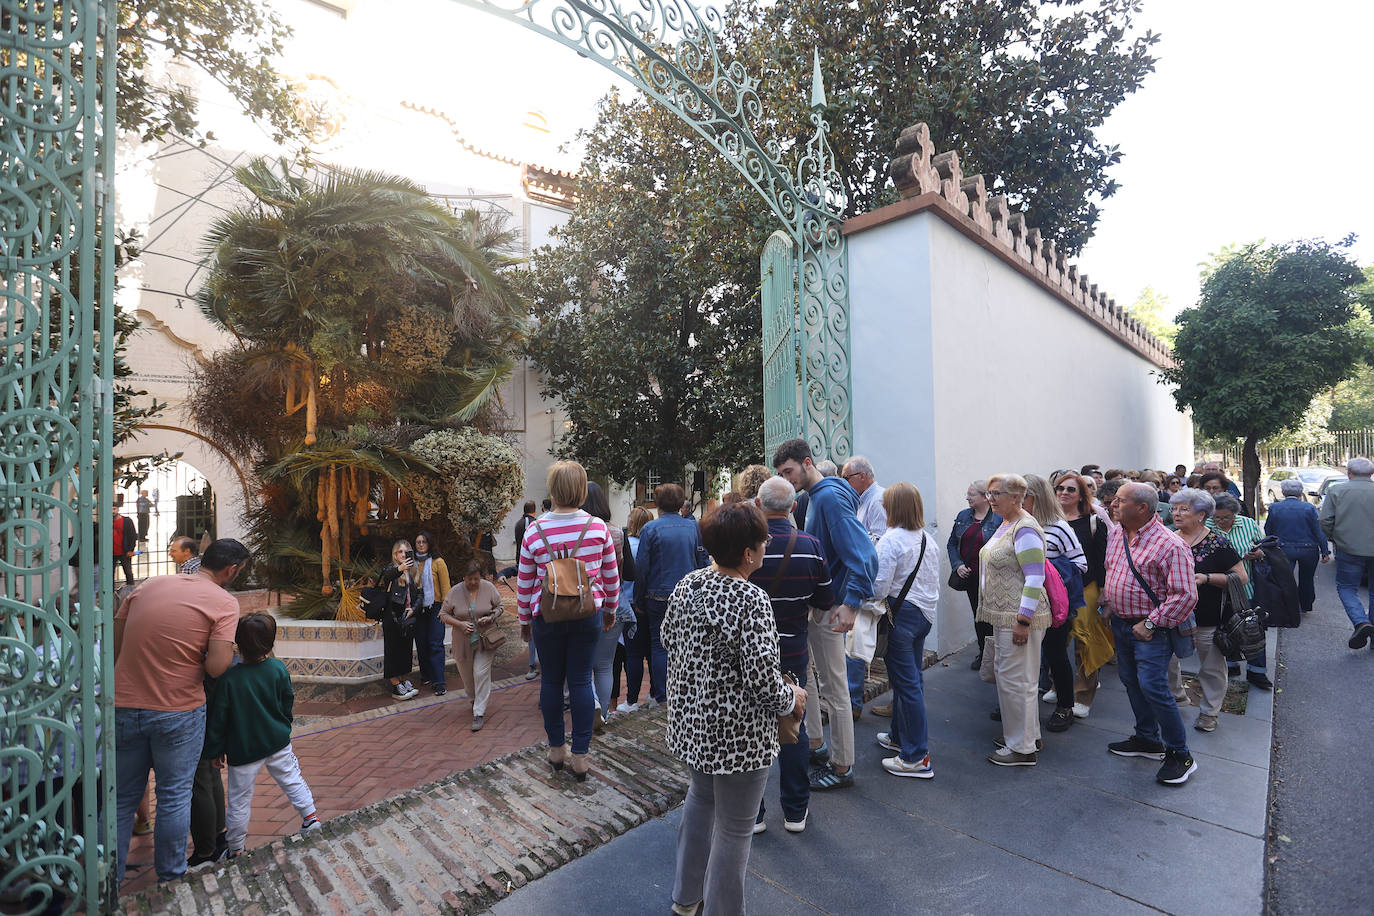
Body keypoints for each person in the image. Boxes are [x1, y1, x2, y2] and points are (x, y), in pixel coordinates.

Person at [662, 502, 806, 916]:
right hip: (739, 735)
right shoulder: (751, 598)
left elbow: (670, 638)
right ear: (748, 553)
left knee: (700, 801)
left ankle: (685, 898)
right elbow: (762, 678)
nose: (767, 544)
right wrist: (791, 699)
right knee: (735, 828)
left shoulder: (689, 584)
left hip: (693, 724)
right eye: (763, 540)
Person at [113, 538, 248, 886]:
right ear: (231, 570)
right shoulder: (224, 602)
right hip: (178, 710)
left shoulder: (149, 585)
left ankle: (104, 882)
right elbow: (218, 667)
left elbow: (117, 643)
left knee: (119, 798)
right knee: (173, 795)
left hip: (124, 704)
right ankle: (171, 878)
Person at [772, 439, 877, 792]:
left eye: (788, 471)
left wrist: (852, 602)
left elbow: (863, 555)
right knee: (812, 681)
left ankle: (843, 764)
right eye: (781, 474)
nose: (786, 479)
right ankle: (815, 744)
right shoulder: (816, 497)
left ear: (806, 462)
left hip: (832, 607)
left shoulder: (829, 497)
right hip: (819, 605)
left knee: (835, 688)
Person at [517, 460, 620, 781]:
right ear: (580, 489)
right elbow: (610, 576)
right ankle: (581, 757)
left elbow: (525, 581)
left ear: (553, 490)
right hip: (587, 614)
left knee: (550, 681)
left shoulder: (535, 529)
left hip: (546, 615)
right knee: (579, 680)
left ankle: (556, 749)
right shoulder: (597, 527)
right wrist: (609, 610)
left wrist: (524, 619)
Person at [1100, 483, 1200, 786]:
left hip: (1150, 630)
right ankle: (1147, 739)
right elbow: (1112, 567)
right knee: (1131, 682)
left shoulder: (1171, 545)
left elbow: (1184, 595)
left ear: (1142, 508)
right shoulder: (1118, 531)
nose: (1113, 504)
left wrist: (1152, 624)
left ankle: (1180, 755)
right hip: (1122, 622)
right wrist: (1109, 601)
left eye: (1120, 500)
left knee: (1153, 686)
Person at [749, 476, 832, 831]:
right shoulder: (810, 546)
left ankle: (754, 814)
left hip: (751, 653)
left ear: (757, 504)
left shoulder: (746, 548)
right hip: (793, 648)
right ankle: (796, 810)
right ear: (794, 507)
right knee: (792, 728)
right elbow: (825, 600)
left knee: (751, 729)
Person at [205, 613, 321, 858]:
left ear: (237, 643)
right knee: (292, 779)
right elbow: (287, 700)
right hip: (278, 742)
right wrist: (284, 723)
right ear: (270, 642)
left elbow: (218, 720)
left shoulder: (229, 680)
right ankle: (311, 818)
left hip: (244, 750)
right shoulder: (277, 668)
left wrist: (215, 751)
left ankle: (236, 848)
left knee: (239, 799)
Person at [977, 474, 1051, 766]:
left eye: (997, 493)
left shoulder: (1025, 528)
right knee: (1018, 679)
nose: (991, 498)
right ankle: (1027, 736)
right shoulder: (1006, 523)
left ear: (1017, 497)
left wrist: (1023, 619)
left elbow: (1035, 576)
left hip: (1018, 617)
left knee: (1015, 681)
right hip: (1006, 614)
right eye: (989, 493)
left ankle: (1021, 749)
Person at [873, 482, 941, 778]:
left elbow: (879, 586)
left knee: (907, 684)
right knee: (910, 680)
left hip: (899, 615)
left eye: (886, 504)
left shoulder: (891, 540)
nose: (883, 508)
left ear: (894, 508)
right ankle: (900, 737)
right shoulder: (927, 539)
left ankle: (916, 756)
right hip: (922, 615)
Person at [1170, 488, 1247, 733]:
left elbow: (1241, 577)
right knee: (1168, 662)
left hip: (1208, 616)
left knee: (1212, 667)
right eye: (1175, 508)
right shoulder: (1170, 537)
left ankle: (1209, 712)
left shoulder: (1217, 542)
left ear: (1202, 515)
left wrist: (1206, 577)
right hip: (1172, 615)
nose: (1176, 514)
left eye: (1184, 509)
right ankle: (1177, 696)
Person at [1022, 474, 1086, 733]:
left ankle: (1065, 706)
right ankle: (1019, 705)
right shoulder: (1015, 524)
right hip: (1022, 603)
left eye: (1021, 495)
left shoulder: (1058, 527)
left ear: (1034, 497)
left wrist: (1043, 567)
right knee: (1023, 657)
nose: (1016, 500)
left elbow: (1081, 564)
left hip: (1052, 605)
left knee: (1056, 655)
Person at [635, 483, 707, 705]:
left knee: (660, 645)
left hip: (658, 595)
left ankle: (664, 695)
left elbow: (642, 567)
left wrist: (639, 598)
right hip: (688, 595)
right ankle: (687, 690)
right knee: (687, 643)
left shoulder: (650, 529)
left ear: (657, 503)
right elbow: (701, 560)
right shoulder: (692, 528)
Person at [1056, 472, 1111, 719]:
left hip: (1086, 588)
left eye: (1070, 489)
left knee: (1086, 643)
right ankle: (1059, 686)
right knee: (1056, 640)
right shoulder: (1049, 520)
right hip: (1056, 589)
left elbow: (1102, 560)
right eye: (1060, 488)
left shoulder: (1093, 522)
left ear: (1081, 494)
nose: (1064, 493)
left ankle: (1084, 695)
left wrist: (1103, 592)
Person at [582, 481, 634, 731]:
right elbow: (629, 572)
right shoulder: (616, 532)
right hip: (615, 602)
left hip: (584, 602)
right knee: (605, 664)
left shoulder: (579, 530)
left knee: (582, 662)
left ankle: (590, 703)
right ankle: (602, 712)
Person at [840, 455, 887, 718]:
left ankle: (853, 702)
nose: (844, 483)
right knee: (856, 641)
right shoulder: (863, 498)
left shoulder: (877, 500)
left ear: (862, 476)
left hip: (868, 582)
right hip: (863, 579)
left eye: (846, 478)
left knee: (857, 641)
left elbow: (876, 544)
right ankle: (853, 699)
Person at [1209, 494, 1271, 690]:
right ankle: (1231, 665)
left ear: (1235, 513)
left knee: (1252, 629)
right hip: (1216, 589)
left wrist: (1259, 554)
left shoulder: (1248, 524)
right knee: (1223, 630)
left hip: (1246, 587)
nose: (1220, 521)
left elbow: (1263, 546)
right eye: (1217, 517)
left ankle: (1257, 672)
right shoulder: (1206, 525)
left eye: (1225, 517)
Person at [439, 561, 505, 731]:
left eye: (476, 579)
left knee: (480, 673)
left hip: (486, 641)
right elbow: (443, 614)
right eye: (470, 579)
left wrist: (491, 617)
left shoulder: (489, 588)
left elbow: (500, 607)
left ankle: (479, 713)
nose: (473, 582)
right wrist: (460, 624)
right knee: (469, 681)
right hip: (463, 643)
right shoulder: (455, 592)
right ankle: (474, 698)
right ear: (464, 578)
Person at [1319, 456, 1374, 648]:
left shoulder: (1337, 491)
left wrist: (1335, 538)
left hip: (1348, 548)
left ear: (1349, 473)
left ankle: (1361, 622)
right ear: (1372, 473)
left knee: (1347, 587)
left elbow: (1325, 521)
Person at [948, 480, 1003, 670]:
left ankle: (999, 655)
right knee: (979, 617)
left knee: (994, 617)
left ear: (985, 496)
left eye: (971, 494)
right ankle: (984, 654)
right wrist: (958, 565)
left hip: (993, 578)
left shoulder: (999, 518)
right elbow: (952, 544)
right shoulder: (963, 516)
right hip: (970, 578)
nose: (967, 497)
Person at [1265, 478, 1331, 615]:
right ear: (1300, 492)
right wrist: (1325, 551)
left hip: (1283, 549)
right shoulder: (1309, 508)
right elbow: (1318, 531)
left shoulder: (1274, 508)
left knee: (1285, 579)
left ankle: (1289, 606)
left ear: (1283, 492)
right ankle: (1305, 605)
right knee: (1307, 579)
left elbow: (1268, 529)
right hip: (1309, 549)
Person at [618, 505, 656, 711]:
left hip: (631, 603)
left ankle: (632, 700)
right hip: (651, 603)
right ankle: (654, 694)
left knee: (633, 655)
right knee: (652, 652)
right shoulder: (653, 546)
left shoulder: (628, 545)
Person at [378, 541, 422, 700]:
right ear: (395, 555)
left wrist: (414, 609)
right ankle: (395, 683)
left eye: (406, 552)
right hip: (392, 616)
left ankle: (403, 679)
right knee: (392, 650)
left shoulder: (414, 571)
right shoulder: (392, 570)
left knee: (405, 650)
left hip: (407, 617)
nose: (403, 555)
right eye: (400, 552)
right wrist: (399, 569)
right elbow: (386, 577)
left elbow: (420, 594)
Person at [410, 531, 452, 696]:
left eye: (423, 542)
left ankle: (439, 681)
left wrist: (445, 610)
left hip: (435, 607)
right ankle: (426, 675)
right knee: (421, 644)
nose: (420, 545)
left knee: (435, 643)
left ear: (429, 543)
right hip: (418, 609)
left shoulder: (438, 562)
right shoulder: (411, 563)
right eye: (418, 542)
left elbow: (446, 588)